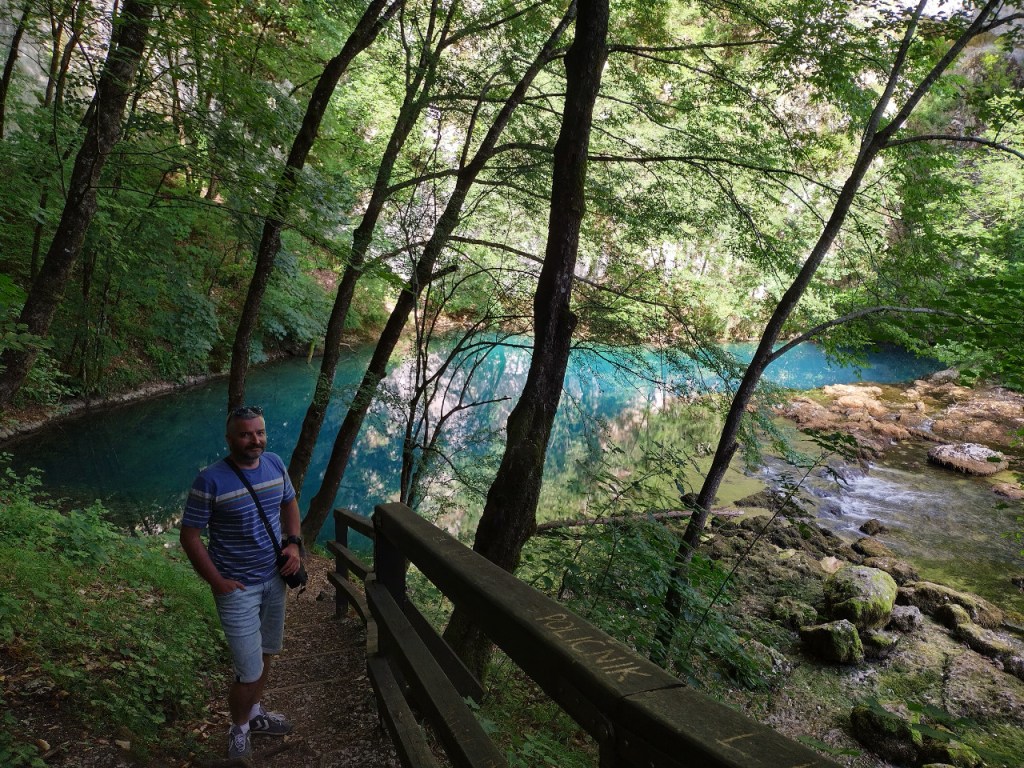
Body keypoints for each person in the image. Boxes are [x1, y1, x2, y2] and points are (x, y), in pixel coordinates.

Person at [180, 405, 303, 762]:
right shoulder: (210, 479)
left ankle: (255, 714)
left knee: (267, 655)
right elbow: (190, 536)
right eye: (246, 434)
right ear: (230, 438)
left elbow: (289, 503)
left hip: (274, 579)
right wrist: (216, 581)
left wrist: (293, 542)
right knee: (249, 670)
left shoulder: (276, 464)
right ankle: (239, 729)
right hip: (237, 590)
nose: (255, 440)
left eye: (260, 432)